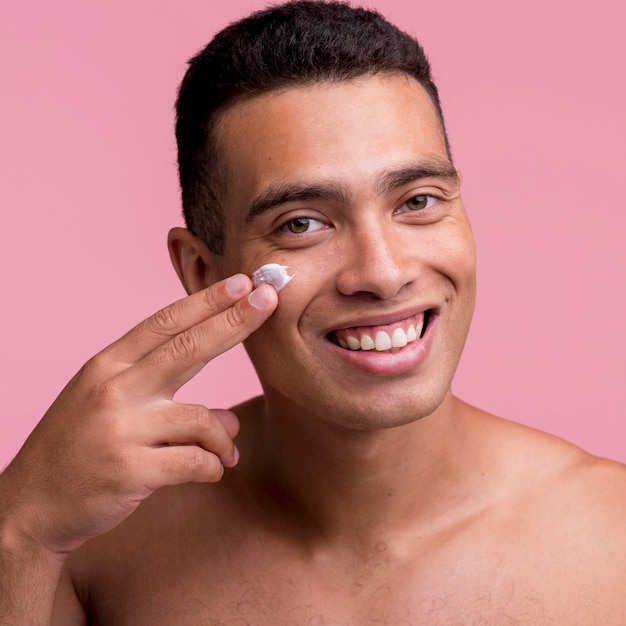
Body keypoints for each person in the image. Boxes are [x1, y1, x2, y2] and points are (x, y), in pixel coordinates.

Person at [1, 1, 625, 623]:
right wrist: (19, 529)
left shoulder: (611, 539)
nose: (383, 273)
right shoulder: (85, 548)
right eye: (302, 224)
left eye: (418, 201)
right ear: (203, 272)